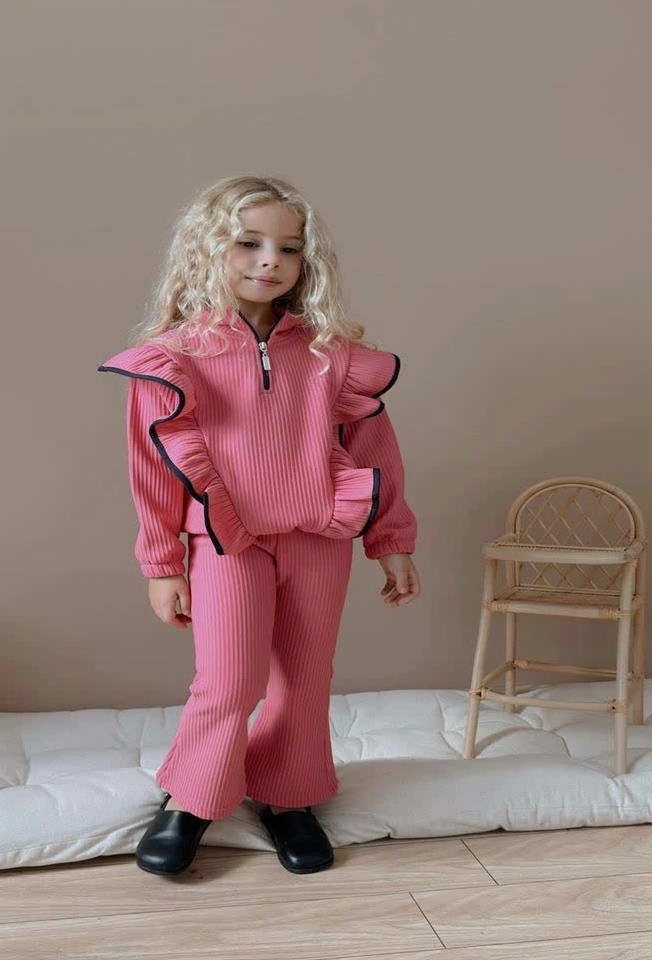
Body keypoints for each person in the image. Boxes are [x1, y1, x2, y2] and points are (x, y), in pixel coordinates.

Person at [99, 175, 420, 876]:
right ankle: (191, 798)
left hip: (318, 535)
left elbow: (374, 449)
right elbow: (151, 469)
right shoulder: (175, 355)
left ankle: (288, 796)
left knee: (304, 675)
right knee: (229, 679)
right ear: (208, 248)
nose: (269, 260)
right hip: (225, 541)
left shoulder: (331, 353)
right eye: (248, 243)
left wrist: (390, 542)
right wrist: (161, 564)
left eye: (289, 248)